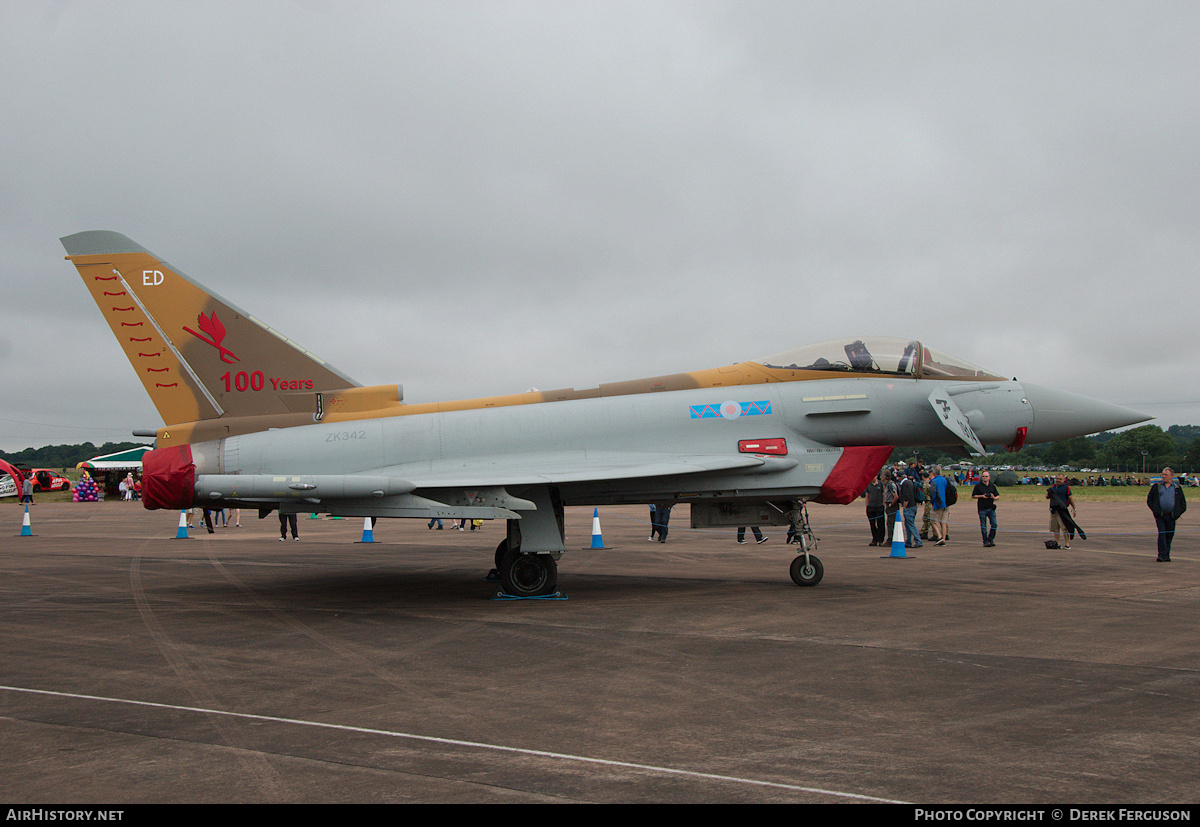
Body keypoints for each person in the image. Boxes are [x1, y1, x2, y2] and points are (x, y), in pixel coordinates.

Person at [1147, 467, 1187, 562]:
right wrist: (1156, 511)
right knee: (1162, 535)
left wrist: (1176, 514)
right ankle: (1161, 555)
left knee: (1169, 535)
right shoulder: (1157, 486)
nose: (1164, 476)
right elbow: (1150, 500)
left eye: (1166, 475)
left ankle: (1166, 555)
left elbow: (1183, 504)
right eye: (1163, 475)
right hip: (1160, 516)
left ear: (1171, 476)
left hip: (1171, 517)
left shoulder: (1177, 488)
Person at [1046, 474, 1084, 548]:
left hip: (1062, 510)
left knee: (1064, 528)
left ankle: (1067, 544)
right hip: (1054, 510)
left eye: (1060, 479)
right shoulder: (1053, 487)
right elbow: (1048, 497)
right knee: (1055, 528)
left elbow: (1070, 499)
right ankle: (1058, 543)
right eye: (1057, 479)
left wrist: (1074, 509)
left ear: (1063, 480)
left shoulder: (1066, 488)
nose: (1058, 480)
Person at [972, 470, 1000, 547]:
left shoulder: (992, 486)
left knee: (994, 524)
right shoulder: (978, 486)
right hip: (982, 508)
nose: (985, 478)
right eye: (983, 476)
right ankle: (985, 541)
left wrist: (993, 497)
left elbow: (998, 496)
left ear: (989, 477)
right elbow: (973, 496)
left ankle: (991, 538)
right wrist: (982, 496)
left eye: (986, 476)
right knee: (983, 525)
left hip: (991, 508)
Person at [899, 468, 922, 548]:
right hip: (914, 505)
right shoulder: (910, 482)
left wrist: (904, 506)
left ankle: (918, 540)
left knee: (910, 524)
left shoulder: (905, 484)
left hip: (909, 507)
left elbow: (906, 496)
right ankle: (908, 541)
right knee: (908, 524)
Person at [864, 473, 887, 546]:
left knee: (880, 524)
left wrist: (883, 504)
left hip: (879, 506)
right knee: (872, 524)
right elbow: (867, 496)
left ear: (876, 476)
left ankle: (880, 540)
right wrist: (867, 506)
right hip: (871, 506)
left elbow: (883, 495)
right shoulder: (868, 485)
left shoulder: (880, 484)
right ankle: (874, 539)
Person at [930, 466, 950, 546]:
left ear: (934, 473)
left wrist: (932, 501)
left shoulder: (934, 481)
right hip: (946, 503)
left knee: (933, 520)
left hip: (938, 503)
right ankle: (944, 539)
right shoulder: (945, 480)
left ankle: (939, 536)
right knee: (943, 522)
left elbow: (933, 493)